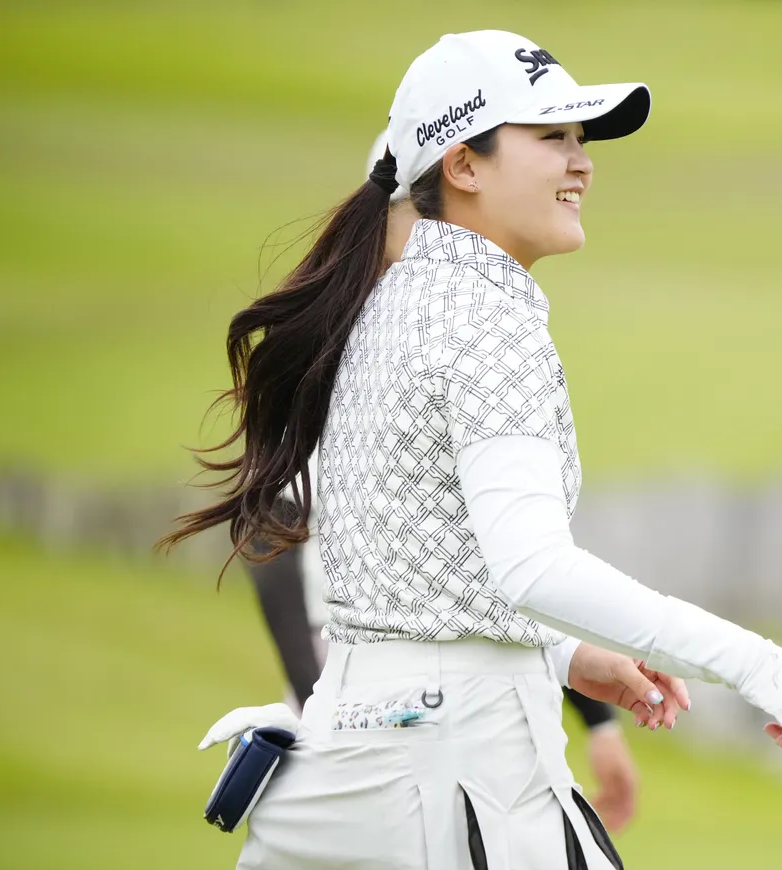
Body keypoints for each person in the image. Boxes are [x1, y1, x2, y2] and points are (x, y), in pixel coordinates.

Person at [166, 29, 782, 870]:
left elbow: (422, 561)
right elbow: (534, 567)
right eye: (551, 137)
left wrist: (563, 656)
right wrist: (767, 670)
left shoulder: (379, 307)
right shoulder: (490, 318)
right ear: (463, 165)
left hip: (337, 784)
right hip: (467, 778)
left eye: (581, 139)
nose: (581, 162)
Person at [240, 135, 640, 831]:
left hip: (453, 724)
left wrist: (599, 723)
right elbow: (270, 541)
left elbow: (510, 571)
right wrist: (319, 703)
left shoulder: (461, 338)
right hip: (364, 722)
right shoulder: (353, 349)